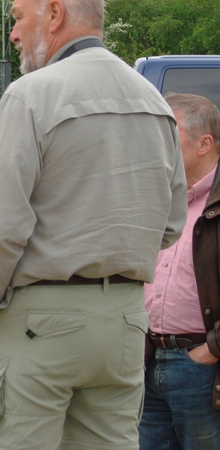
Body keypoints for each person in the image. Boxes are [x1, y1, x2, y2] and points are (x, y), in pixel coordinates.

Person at [0, 0, 188, 448]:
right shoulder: (152, 100)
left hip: (37, 320)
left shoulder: (32, 95)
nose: (14, 34)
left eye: (18, 17)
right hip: (123, 323)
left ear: (54, 14)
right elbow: (171, 223)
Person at [139, 93, 220, 449]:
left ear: (205, 144)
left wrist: (210, 351)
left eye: (168, 133)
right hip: (147, 359)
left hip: (201, 366)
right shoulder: (157, 196)